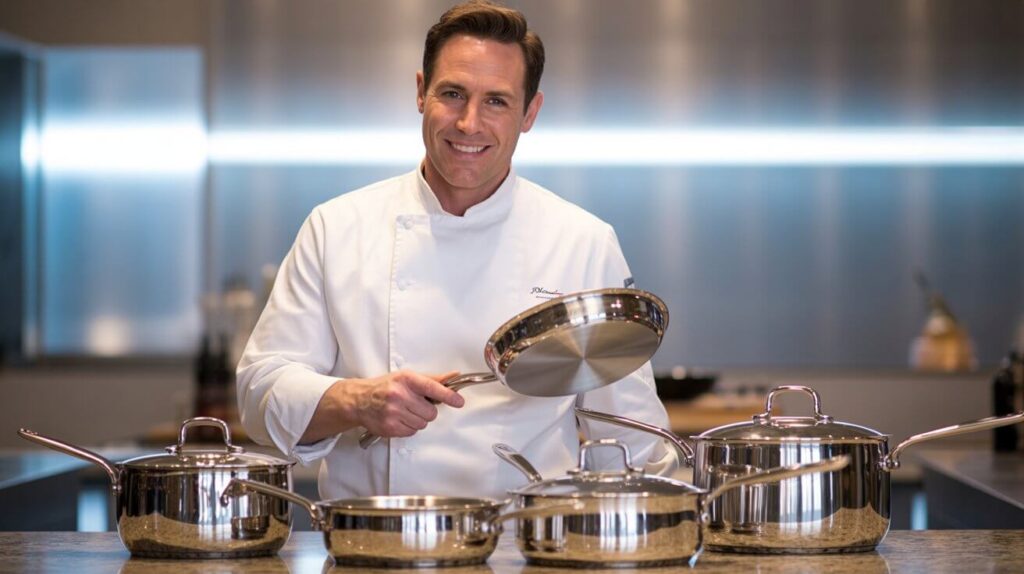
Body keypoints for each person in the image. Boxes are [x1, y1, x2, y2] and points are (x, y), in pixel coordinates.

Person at [237, 0, 677, 500]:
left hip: (523, 536)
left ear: (530, 113)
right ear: (420, 92)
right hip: (374, 534)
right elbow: (259, 393)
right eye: (453, 94)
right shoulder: (336, 227)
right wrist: (356, 401)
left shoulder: (582, 241)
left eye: (497, 101)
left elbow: (628, 438)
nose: (469, 123)